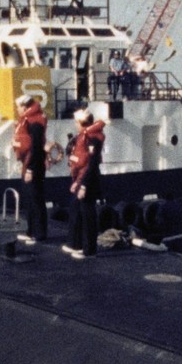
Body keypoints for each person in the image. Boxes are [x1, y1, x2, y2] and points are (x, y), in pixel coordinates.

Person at [63, 107, 106, 258]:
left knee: (88, 215)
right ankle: (77, 244)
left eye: (76, 122)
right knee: (77, 209)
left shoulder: (93, 138)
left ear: (82, 122)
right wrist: (76, 182)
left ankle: (90, 251)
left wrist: (84, 185)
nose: (75, 124)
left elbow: (92, 163)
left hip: (89, 180)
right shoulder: (83, 136)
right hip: (82, 178)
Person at [11, 94, 49, 243]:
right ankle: (31, 230)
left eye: (19, 107)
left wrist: (30, 170)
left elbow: (36, 147)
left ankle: (39, 234)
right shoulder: (27, 121)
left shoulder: (35, 123)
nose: (17, 110)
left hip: (34, 166)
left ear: (25, 107)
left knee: (36, 199)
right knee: (29, 199)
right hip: (27, 163)